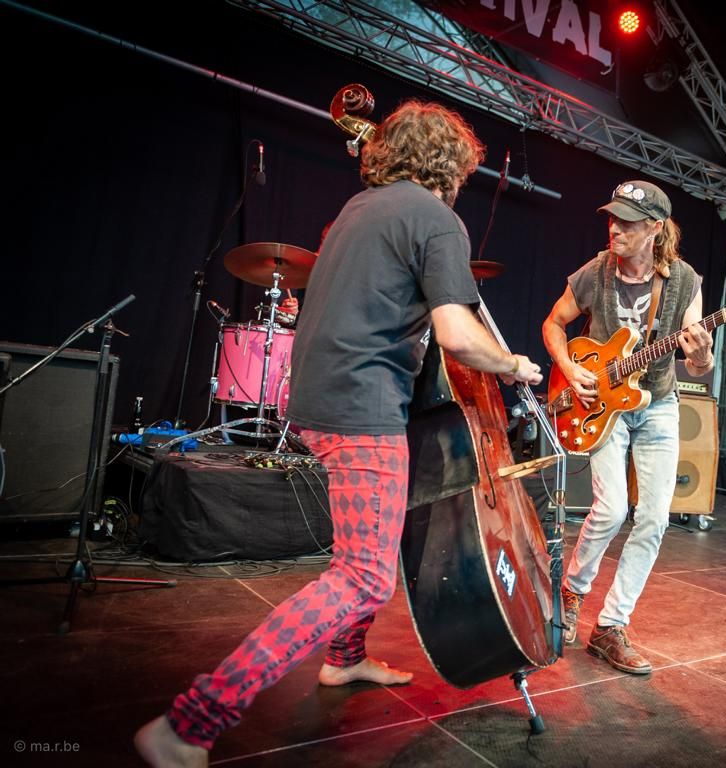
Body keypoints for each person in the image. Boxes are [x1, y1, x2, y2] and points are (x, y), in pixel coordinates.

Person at [135, 99, 543, 767]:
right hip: (362, 407)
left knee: (367, 543)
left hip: (319, 398)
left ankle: (344, 657)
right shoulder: (437, 219)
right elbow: (456, 333)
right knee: (363, 577)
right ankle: (188, 725)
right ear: (450, 166)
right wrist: (513, 364)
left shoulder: (358, 210)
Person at [542, 180, 713, 674]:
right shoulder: (596, 271)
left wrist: (702, 355)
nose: (614, 228)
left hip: (657, 404)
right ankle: (572, 591)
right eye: (613, 218)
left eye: (628, 222)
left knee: (654, 519)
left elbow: (697, 363)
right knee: (612, 508)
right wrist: (570, 369)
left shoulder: (685, 281)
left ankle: (611, 626)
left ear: (655, 229)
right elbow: (553, 324)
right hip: (600, 402)